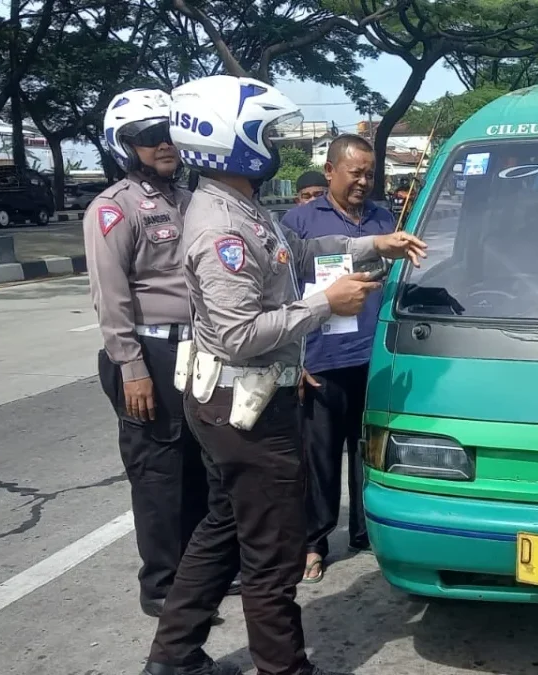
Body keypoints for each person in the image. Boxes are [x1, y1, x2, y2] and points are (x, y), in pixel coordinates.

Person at [143, 74, 427, 675]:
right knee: (272, 554)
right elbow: (239, 333)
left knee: (223, 525)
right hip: (245, 405)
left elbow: (298, 255)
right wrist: (329, 305)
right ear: (233, 138)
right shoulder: (221, 226)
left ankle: (173, 657)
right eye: (266, 131)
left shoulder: (240, 205)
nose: (274, 142)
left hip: (234, 399)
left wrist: (377, 243)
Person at [84, 88, 240, 622]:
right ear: (125, 145)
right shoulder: (114, 208)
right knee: (159, 476)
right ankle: (163, 587)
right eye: (148, 138)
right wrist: (132, 368)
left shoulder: (192, 199)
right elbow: (111, 296)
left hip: (197, 349)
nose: (163, 145)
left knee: (203, 466)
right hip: (149, 352)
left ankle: (201, 574)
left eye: (168, 133)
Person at [279, 134, 395, 584]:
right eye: (355, 172)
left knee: (369, 451)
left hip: (375, 358)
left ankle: (368, 532)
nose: (364, 181)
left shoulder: (383, 218)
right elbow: (284, 294)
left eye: (370, 173)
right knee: (319, 457)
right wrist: (295, 358)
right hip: (322, 360)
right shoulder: (299, 221)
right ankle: (314, 540)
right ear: (330, 171)